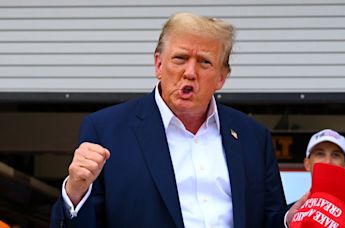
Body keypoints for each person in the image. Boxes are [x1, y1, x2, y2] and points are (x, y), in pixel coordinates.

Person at [50, 12, 296, 227]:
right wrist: (75, 192)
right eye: (180, 58)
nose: (190, 73)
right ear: (158, 64)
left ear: (222, 77)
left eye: (204, 62)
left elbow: (268, 219)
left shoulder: (253, 137)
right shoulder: (107, 130)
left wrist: (292, 218)